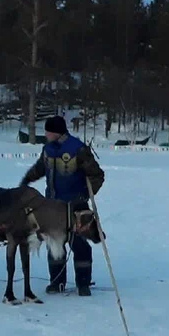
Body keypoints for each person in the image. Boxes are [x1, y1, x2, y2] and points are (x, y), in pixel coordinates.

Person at [18, 115, 106, 296]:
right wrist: (27, 180)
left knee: (79, 244)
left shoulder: (78, 149)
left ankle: (83, 283)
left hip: (75, 205)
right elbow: (40, 168)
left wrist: (85, 195)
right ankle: (57, 282)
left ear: (56, 132)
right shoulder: (48, 148)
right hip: (51, 206)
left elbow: (97, 175)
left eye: (48, 131)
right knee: (54, 243)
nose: (46, 134)